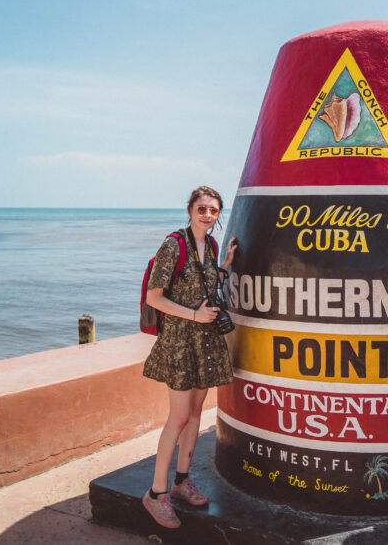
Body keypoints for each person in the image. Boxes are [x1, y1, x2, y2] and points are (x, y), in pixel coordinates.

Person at [141, 186, 238, 529]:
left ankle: (181, 481)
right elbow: (154, 297)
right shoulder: (174, 245)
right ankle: (156, 494)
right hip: (180, 341)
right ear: (190, 210)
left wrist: (224, 265)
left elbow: (203, 285)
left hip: (204, 341)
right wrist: (194, 315)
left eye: (214, 210)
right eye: (202, 209)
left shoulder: (210, 245)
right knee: (179, 416)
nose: (207, 215)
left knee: (196, 414)